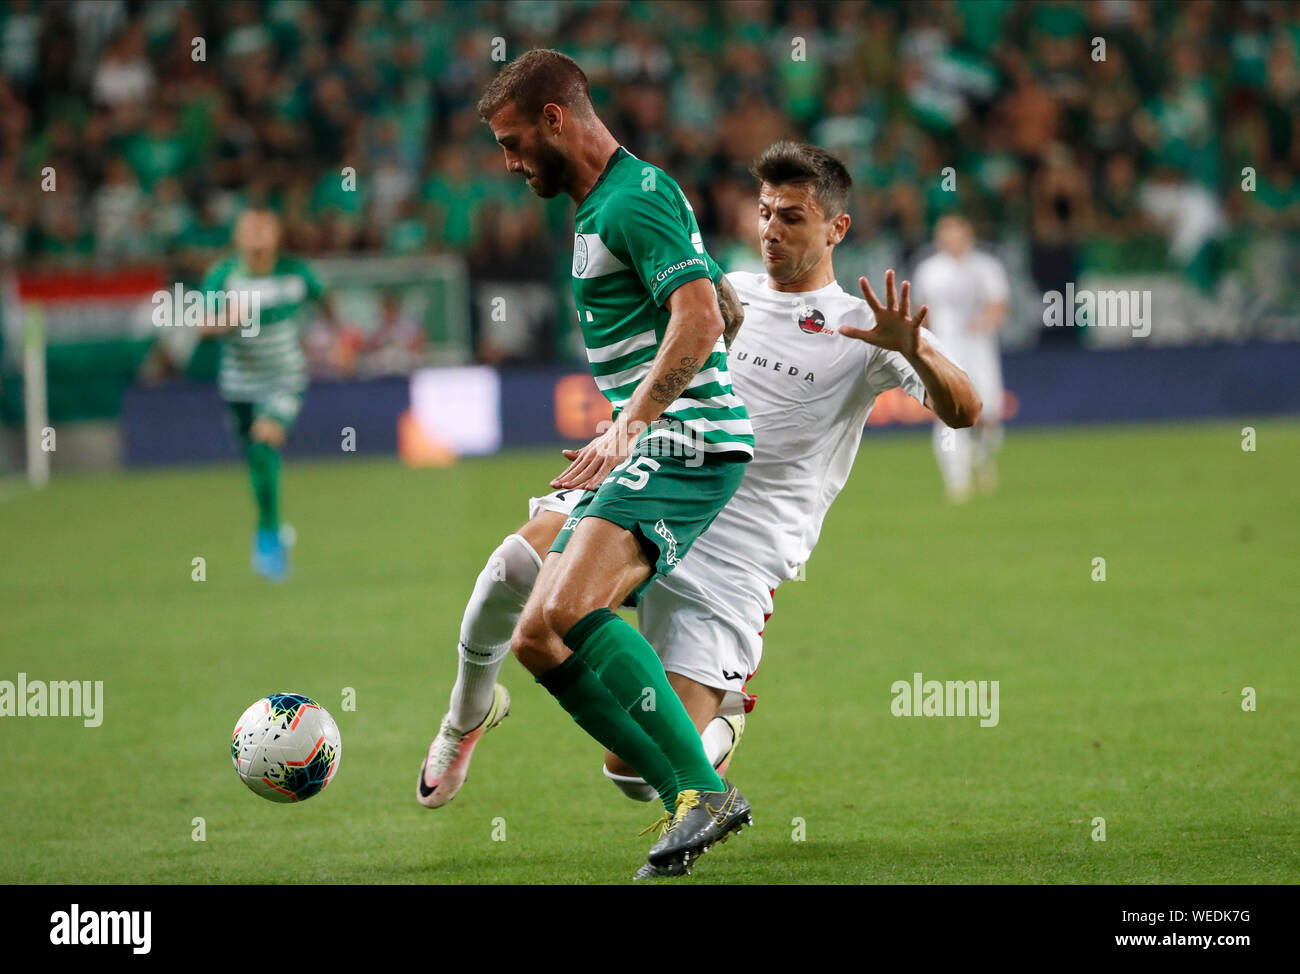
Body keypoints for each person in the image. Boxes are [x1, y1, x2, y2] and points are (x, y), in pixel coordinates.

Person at [419, 140, 981, 879]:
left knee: (627, 769)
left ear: (836, 230)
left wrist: (919, 352)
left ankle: (719, 723)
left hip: (737, 555)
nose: (772, 229)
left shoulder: (864, 326)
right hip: (661, 483)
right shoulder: (727, 290)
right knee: (511, 566)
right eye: (766, 211)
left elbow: (965, 408)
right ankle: (466, 718)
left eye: (794, 218)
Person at [471, 49, 756, 875]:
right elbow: (709, 305)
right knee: (534, 638)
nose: (511, 161)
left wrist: (627, 426)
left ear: (556, 118)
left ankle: (702, 791)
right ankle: (692, 797)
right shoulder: (602, 205)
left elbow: (699, 317)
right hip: (654, 440)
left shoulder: (634, 196)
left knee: (557, 616)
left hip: (684, 443)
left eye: (516, 141)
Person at [195, 208, 335, 580]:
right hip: (239, 385)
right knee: (256, 462)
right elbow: (200, 327)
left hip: (284, 379)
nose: (257, 235)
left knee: (264, 443)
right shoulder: (222, 275)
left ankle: (269, 537)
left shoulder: (296, 273)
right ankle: (271, 524)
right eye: (249, 229)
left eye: (264, 227)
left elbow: (327, 302)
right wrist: (228, 321)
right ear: (238, 237)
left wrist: (338, 337)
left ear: (276, 235)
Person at [913, 214, 1009, 501]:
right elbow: (922, 313)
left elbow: (999, 305)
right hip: (945, 353)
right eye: (946, 233)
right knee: (947, 416)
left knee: (989, 415)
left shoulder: (987, 267)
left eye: (956, 232)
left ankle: (980, 456)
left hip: (980, 351)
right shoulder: (929, 270)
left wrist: (986, 321)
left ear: (968, 235)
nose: (951, 239)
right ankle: (957, 482)